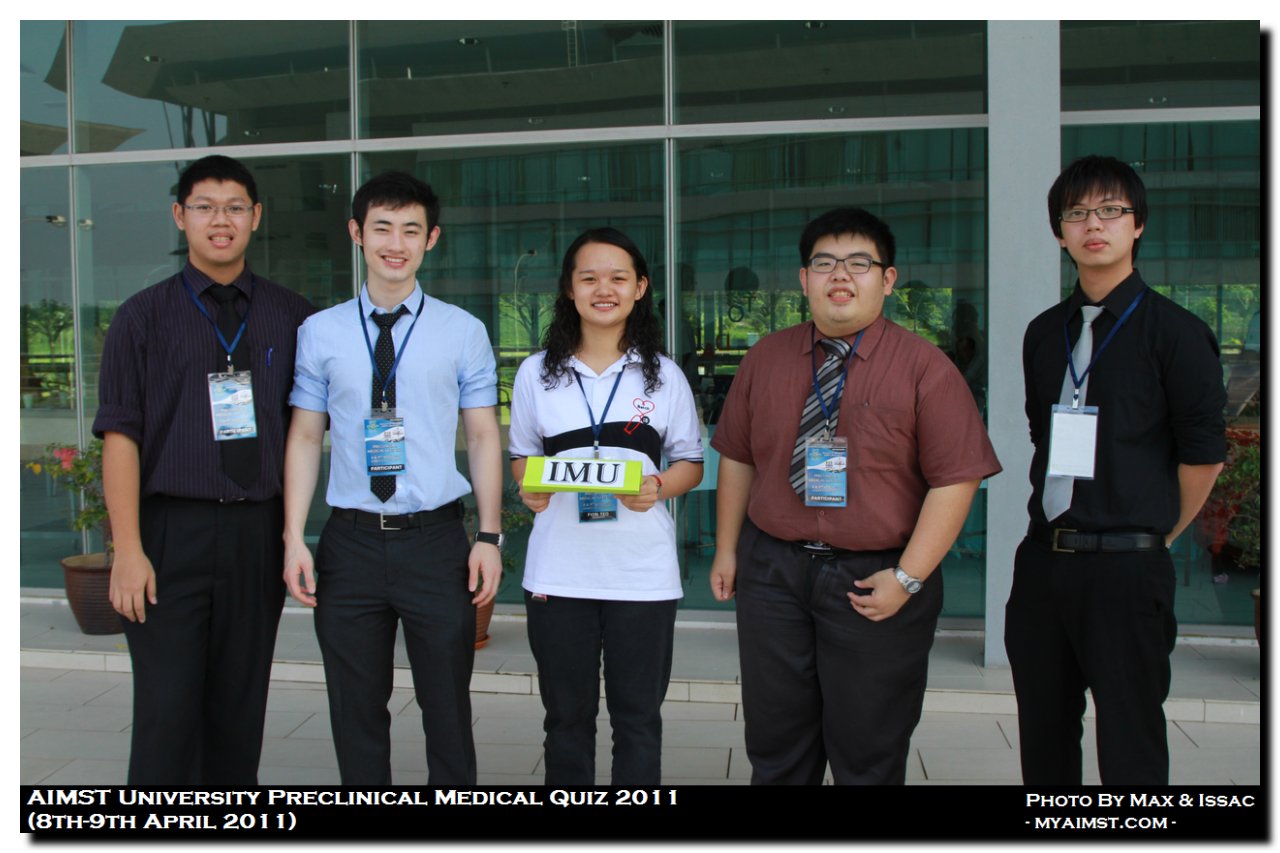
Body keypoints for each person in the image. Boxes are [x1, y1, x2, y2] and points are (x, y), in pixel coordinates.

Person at [709, 207, 1001, 785]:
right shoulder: (765, 358)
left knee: (869, 750)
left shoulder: (926, 368)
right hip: (773, 573)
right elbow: (738, 457)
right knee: (775, 743)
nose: (840, 275)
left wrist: (909, 578)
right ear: (804, 279)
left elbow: (956, 480)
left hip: (876, 578)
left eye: (859, 263)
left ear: (887, 279)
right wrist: (726, 549)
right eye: (824, 263)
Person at [1007, 155, 1226, 785]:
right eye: (1076, 213)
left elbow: (1203, 455)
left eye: (1110, 210)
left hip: (1127, 569)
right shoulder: (1043, 333)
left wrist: (1158, 532)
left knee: (1131, 741)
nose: (1092, 225)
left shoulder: (1177, 333)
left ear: (1138, 225)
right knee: (1044, 737)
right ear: (1059, 232)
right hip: (1043, 562)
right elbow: (1042, 434)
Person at [95, 154, 313, 783]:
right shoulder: (141, 316)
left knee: (239, 710)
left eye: (235, 208)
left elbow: (307, 431)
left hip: (255, 533)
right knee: (166, 712)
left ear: (256, 217)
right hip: (169, 535)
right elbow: (120, 436)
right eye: (206, 208)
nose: (222, 221)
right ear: (180, 215)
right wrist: (127, 550)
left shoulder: (293, 316)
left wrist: (292, 536)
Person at [282, 171, 503, 784]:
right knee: (355, 710)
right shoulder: (320, 331)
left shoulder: (462, 330)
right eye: (382, 228)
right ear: (356, 233)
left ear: (431, 239)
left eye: (411, 230)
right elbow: (304, 436)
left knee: (447, 707)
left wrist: (489, 536)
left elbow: (483, 436)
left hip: (435, 544)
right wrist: (294, 537)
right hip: (349, 544)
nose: (395, 244)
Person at [508, 227, 704, 785]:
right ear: (569, 288)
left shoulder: (664, 376)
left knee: (638, 721)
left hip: (641, 576)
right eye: (589, 277)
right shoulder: (535, 373)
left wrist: (658, 487)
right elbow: (522, 457)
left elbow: (691, 462)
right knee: (565, 720)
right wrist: (528, 486)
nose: (604, 289)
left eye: (618, 278)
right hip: (558, 573)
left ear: (639, 288)